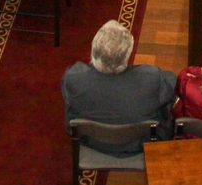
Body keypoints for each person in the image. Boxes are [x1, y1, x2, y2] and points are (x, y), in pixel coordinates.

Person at [61, 20, 175, 155]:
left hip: (92, 142)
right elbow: (172, 85)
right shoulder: (152, 78)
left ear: (93, 50)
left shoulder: (73, 77)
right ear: (127, 55)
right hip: (139, 144)